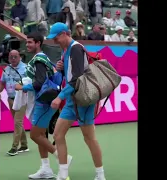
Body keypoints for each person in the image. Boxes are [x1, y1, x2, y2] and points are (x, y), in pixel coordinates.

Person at [46, 22, 106, 180]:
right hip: (72, 100)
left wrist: (60, 97)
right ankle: (63, 174)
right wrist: (60, 68)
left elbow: (78, 79)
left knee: (89, 138)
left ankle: (100, 175)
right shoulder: (65, 51)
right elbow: (70, 76)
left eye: (56, 37)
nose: (54, 41)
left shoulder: (76, 48)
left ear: (65, 33)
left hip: (84, 100)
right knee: (58, 135)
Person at [14, 32, 72, 179]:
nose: (27, 45)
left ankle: (61, 157)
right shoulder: (41, 58)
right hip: (42, 101)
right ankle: (46, 168)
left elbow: (39, 82)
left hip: (44, 101)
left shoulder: (39, 59)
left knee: (35, 134)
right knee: (41, 135)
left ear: (38, 43)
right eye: (26, 42)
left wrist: (22, 87)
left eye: (30, 42)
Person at [0, 50, 29, 156]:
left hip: (21, 98)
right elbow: (2, 83)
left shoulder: (25, 68)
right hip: (10, 99)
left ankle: (14, 147)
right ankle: (24, 145)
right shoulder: (6, 69)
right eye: (11, 57)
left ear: (20, 57)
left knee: (17, 122)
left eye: (15, 56)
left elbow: (31, 82)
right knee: (18, 123)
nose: (13, 59)